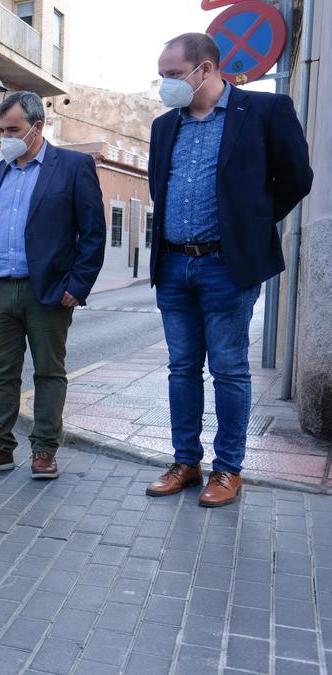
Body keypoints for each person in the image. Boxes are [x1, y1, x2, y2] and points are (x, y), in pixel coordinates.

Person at [145, 33, 312, 507]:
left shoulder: (265, 111)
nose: (166, 85)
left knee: (229, 369)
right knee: (181, 367)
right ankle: (184, 462)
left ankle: (228, 470)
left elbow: (297, 177)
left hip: (226, 265)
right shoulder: (164, 127)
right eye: (162, 76)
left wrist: (251, 224)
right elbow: (163, 187)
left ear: (206, 68)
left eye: (173, 75)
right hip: (175, 263)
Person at [0, 91, 105, 481]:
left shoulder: (72, 167)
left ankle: (43, 449)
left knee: (48, 372)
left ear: (37, 127)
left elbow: (92, 233)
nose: (4, 137)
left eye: (13, 130)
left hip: (50, 292)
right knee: (1, 373)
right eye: (1, 129)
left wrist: (78, 286)